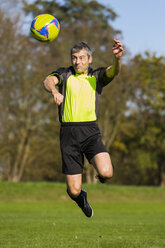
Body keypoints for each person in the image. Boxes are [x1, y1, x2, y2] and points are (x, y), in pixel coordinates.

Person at [43, 39, 123, 218]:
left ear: (90, 59)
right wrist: (55, 91)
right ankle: (81, 198)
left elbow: (114, 72)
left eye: (81, 58)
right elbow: (48, 80)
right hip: (68, 135)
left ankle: (99, 174)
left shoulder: (97, 76)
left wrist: (118, 58)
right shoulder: (64, 74)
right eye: (74, 58)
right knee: (74, 190)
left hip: (90, 132)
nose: (77, 62)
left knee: (107, 172)